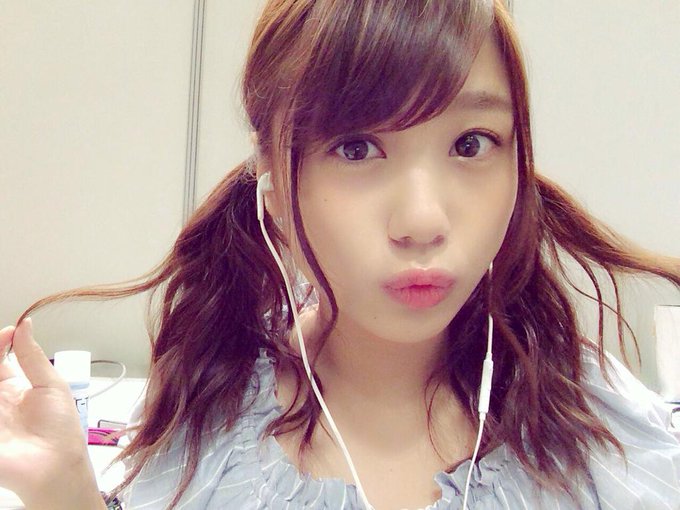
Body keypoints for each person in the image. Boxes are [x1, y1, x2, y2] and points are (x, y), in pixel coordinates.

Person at [1, 0, 679, 508]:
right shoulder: (208, 422)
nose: (422, 221)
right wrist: (65, 495)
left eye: (471, 143)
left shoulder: (599, 431)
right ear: (271, 180)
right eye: (356, 148)